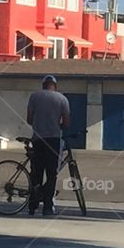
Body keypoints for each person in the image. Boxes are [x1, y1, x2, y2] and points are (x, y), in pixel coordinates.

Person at [26, 75, 70, 216]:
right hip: (53, 139)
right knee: (52, 174)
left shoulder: (34, 97)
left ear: (43, 85)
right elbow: (66, 122)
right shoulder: (62, 99)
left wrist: (39, 124)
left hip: (37, 139)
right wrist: (58, 125)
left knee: (36, 173)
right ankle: (47, 206)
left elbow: (29, 119)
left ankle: (32, 205)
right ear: (55, 86)